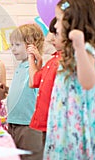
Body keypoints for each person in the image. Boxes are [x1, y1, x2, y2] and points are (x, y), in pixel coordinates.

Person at [44, 0, 95, 159]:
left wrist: (79, 47)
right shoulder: (67, 53)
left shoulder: (86, 49)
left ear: (73, 22)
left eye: (59, 19)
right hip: (64, 120)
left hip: (76, 123)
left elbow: (88, 82)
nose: (57, 26)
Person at [7, 23, 45, 160]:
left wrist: (34, 58)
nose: (13, 49)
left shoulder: (36, 67)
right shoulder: (21, 66)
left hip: (29, 125)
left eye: (17, 45)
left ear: (31, 45)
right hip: (14, 123)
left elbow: (38, 86)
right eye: (12, 45)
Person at [27, 18, 62, 151]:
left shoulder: (64, 63)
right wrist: (33, 58)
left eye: (56, 33)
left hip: (55, 124)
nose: (52, 38)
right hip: (46, 123)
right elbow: (33, 81)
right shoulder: (52, 62)